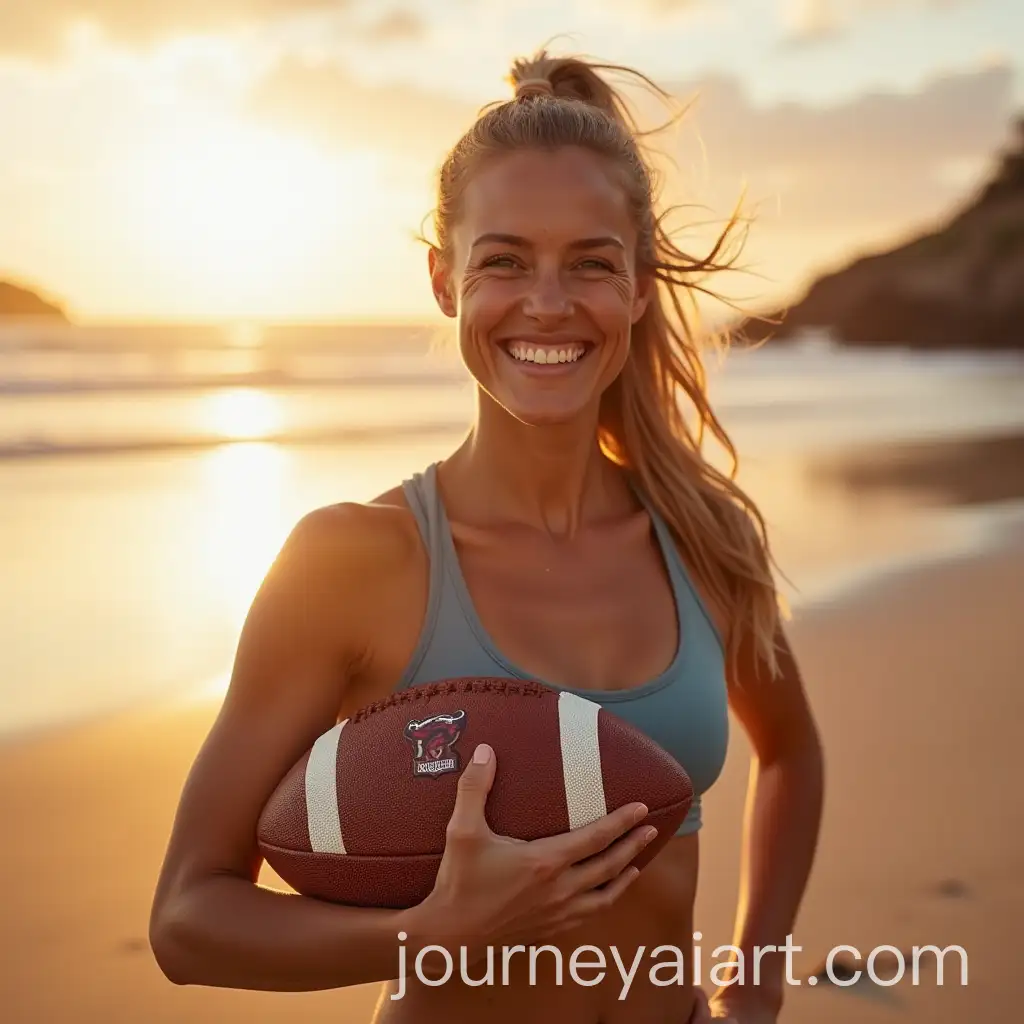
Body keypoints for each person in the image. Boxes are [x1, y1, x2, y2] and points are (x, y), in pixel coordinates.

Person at [149, 48, 824, 1023]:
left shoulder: (703, 538)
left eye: (589, 264)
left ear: (637, 285)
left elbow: (792, 754)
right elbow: (186, 918)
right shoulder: (353, 563)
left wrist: (751, 986)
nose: (546, 303)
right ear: (442, 278)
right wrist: (423, 938)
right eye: (503, 260)